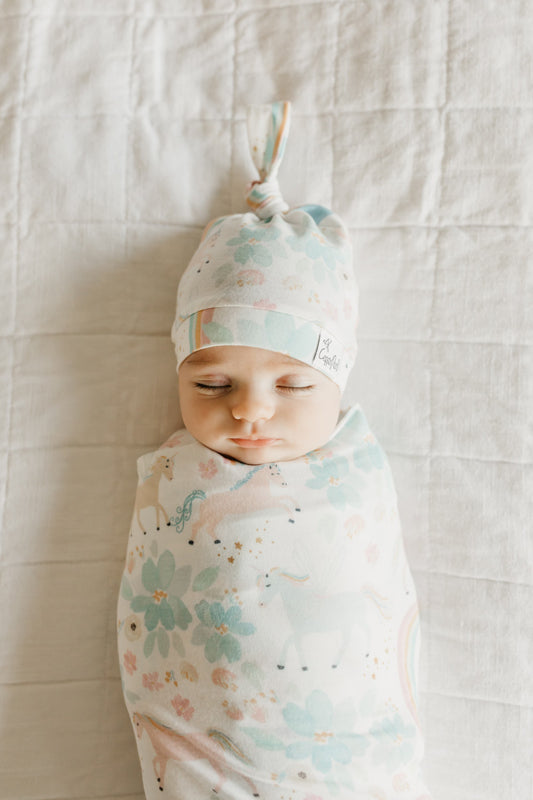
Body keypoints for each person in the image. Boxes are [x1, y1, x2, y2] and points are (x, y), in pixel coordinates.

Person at [117, 101, 432, 799]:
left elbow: (373, 600)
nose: (249, 409)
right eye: (211, 383)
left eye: (291, 384)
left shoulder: (353, 474)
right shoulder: (177, 479)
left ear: (336, 380)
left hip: (347, 752)